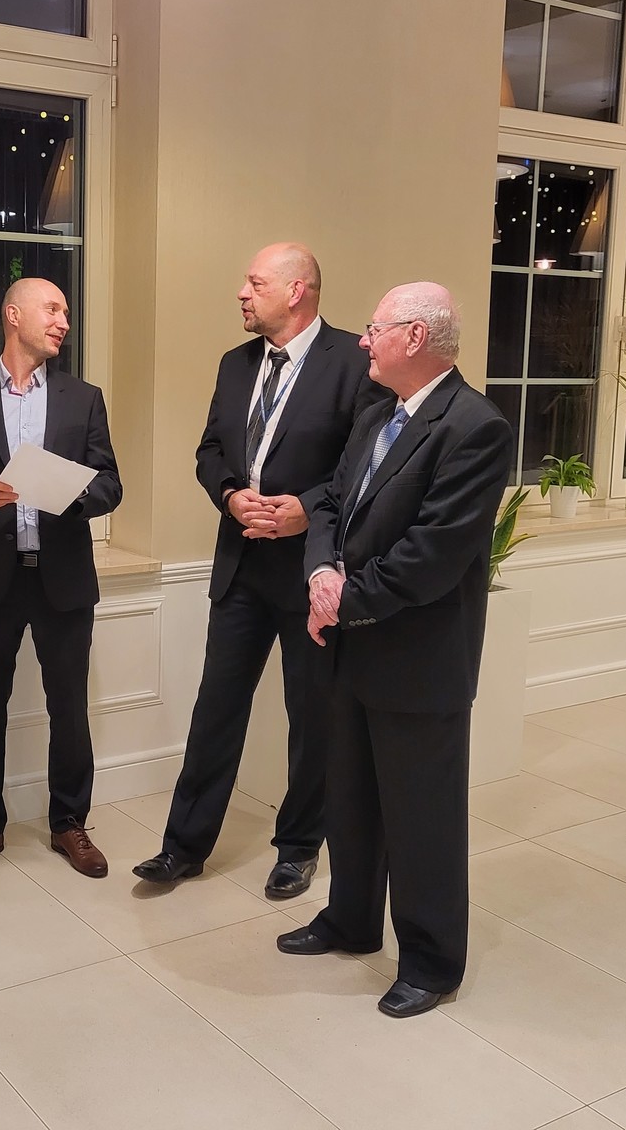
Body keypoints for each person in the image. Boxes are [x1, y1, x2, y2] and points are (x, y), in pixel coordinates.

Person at [276, 281, 512, 1019]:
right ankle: (350, 921)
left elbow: (432, 555)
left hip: (418, 659)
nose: (362, 340)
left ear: (414, 336)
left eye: (375, 328)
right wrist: (321, 570)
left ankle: (432, 962)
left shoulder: (474, 427)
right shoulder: (379, 410)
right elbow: (328, 502)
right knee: (350, 800)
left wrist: (342, 599)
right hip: (349, 648)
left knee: (422, 819)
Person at [133, 243, 375, 897]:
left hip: (310, 570)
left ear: (297, 291)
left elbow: (362, 466)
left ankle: (299, 847)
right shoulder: (235, 364)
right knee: (216, 707)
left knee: (312, 716)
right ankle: (182, 847)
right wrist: (230, 494)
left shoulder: (353, 362)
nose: (242, 293)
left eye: (255, 282)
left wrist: (306, 509)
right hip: (240, 563)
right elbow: (211, 449)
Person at [0, 277, 122, 881]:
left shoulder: (83, 398)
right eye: (52, 309)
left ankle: (70, 823)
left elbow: (110, 484)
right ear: (13, 315)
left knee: (70, 708)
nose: (64, 322)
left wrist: (71, 494)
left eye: (67, 311)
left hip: (63, 578)